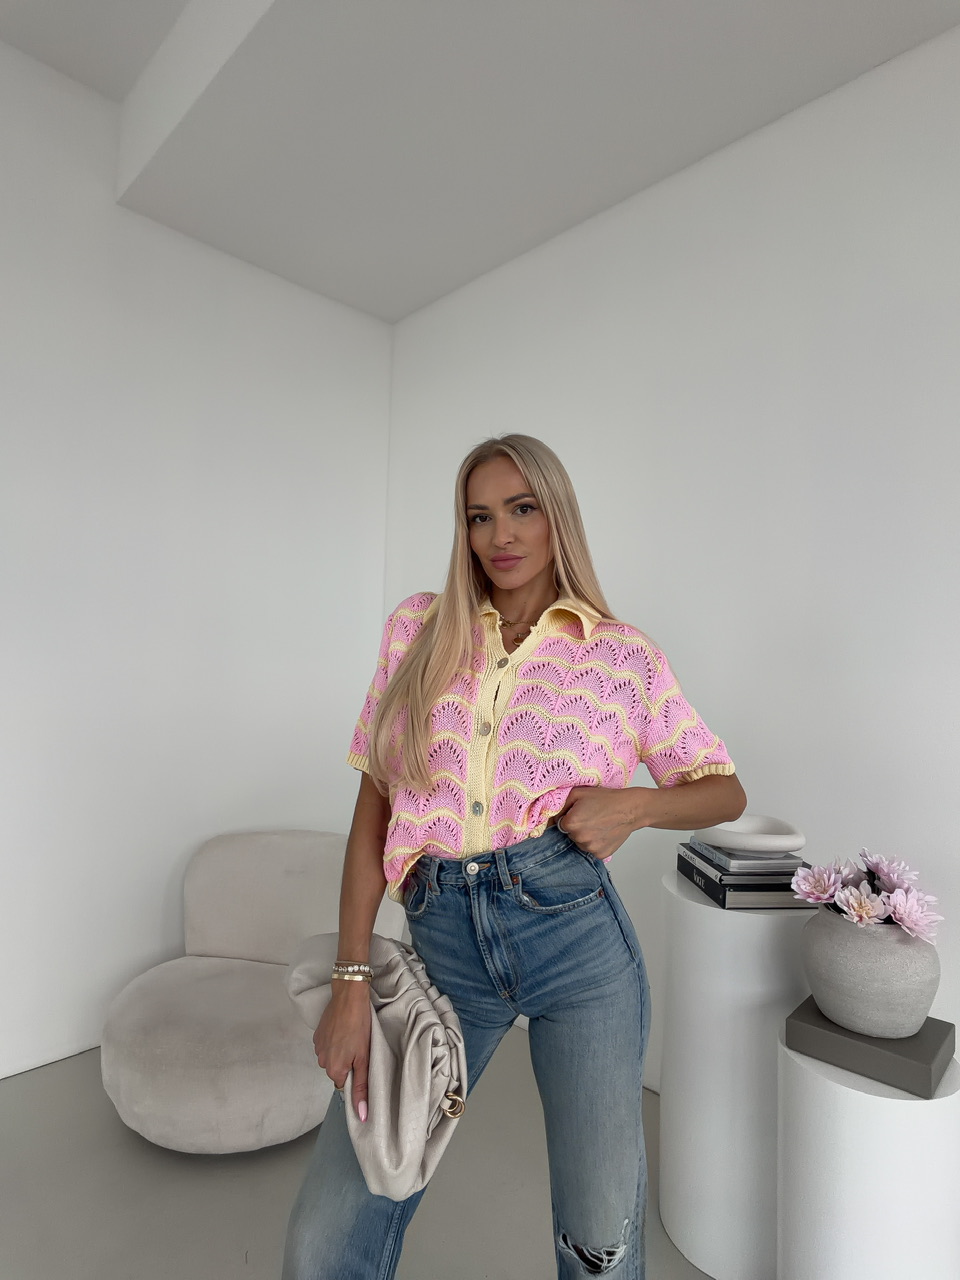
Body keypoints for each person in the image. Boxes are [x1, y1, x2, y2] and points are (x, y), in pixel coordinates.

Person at [282, 434, 746, 1280]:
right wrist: (350, 981)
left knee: (598, 1242)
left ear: (556, 515)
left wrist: (636, 807)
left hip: (578, 947)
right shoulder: (419, 631)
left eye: (522, 509)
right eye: (479, 516)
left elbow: (724, 790)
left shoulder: (622, 657)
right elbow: (373, 811)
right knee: (328, 1234)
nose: (500, 534)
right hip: (443, 947)